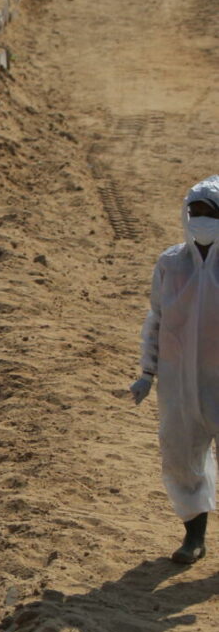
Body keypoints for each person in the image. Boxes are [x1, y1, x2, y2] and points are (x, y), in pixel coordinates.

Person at [132, 176, 219, 564]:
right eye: (195, 212)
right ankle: (194, 537)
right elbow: (157, 319)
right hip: (179, 383)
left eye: (210, 214)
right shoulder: (171, 264)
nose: (201, 220)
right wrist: (147, 373)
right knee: (182, 457)